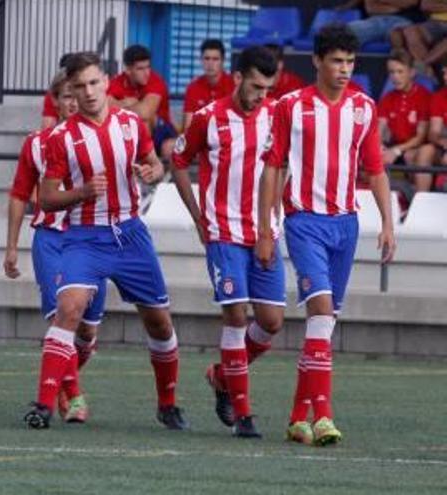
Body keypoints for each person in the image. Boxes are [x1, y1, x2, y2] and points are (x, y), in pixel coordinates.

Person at [23, 52, 186, 431]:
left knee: (160, 324)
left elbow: (154, 164)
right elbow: (45, 199)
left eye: (94, 83)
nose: (89, 92)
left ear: (107, 82)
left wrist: (153, 171)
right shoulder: (61, 139)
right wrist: (80, 192)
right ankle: (44, 404)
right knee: (69, 309)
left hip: (130, 235)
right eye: (79, 87)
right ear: (71, 93)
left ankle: (168, 404)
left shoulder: (131, 124)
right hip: (84, 237)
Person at [258, 25, 397, 446]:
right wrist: (267, 227)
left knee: (324, 324)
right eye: (336, 61)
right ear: (317, 61)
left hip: (346, 224)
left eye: (350, 62)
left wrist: (388, 223)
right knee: (320, 312)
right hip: (303, 223)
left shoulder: (364, 107)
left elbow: (375, 170)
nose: (344, 69)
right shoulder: (290, 107)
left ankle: (298, 415)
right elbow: (273, 167)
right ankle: (324, 417)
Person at [172, 46, 284, 439]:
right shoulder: (208, 118)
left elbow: (284, 165)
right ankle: (244, 413)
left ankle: (222, 376)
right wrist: (198, 216)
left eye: (268, 88)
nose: (262, 96)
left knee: (271, 323)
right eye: (256, 86)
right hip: (223, 232)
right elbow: (178, 158)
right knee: (236, 316)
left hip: (264, 232)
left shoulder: (276, 115)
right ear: (237, 79)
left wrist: (277, 217)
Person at [4, 70, 105, 424]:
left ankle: (64, 376)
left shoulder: (102, 139)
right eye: (65, 96)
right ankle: (73, 395)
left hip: (92, 240)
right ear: (57, 102)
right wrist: (12, 246)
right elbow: (19, 194)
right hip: (51, 239)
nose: (74, 101)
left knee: (88, 332)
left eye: (77, 94)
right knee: (61, 317)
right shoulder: (37, 143)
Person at [107, 45, 177, 161]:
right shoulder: (118, 81)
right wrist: (127, 102)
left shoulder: (156, 81)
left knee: (142, 121)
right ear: (128, 70)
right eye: (140, 69)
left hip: (161, 130)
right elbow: (104, 107)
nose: (146, 73)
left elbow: (145, 112)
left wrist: (119, 105)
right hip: (127, 133)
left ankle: (145, 163)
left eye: (148, 67)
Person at [379, 49, 433, 191]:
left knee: (411, 155)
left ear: (412, 72)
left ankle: (418, 202)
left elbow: (421, 137)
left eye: (400, 71)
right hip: (395, 147)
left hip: (414, 148)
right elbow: (379, 129)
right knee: (373, 155)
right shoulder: (387, 98)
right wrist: (379, 147)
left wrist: (396, 151)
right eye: (391, 72)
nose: (395, 77)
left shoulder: (424, 96)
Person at [183, 39, 235, 129]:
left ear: (223, 61)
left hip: (226, 136)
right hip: (200, 137)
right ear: (201, 60)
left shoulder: (233, 85)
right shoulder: (193, 87)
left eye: (215, 59)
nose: (210, 64)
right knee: (169, 143)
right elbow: (188, 125)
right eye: (207, 59)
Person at [340, 0, 418, 46]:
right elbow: (370, 6)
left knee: (400, 35)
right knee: (342, 33)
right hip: (373, 21)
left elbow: (411, 2)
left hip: (401, 20)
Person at [421, 64, 447, 188]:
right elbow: (434, 132)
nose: (446, 78)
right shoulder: (439, 97)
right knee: (426, 151)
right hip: (444, 147)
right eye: (445, 73)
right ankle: (421, 200)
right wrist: (443, 142)